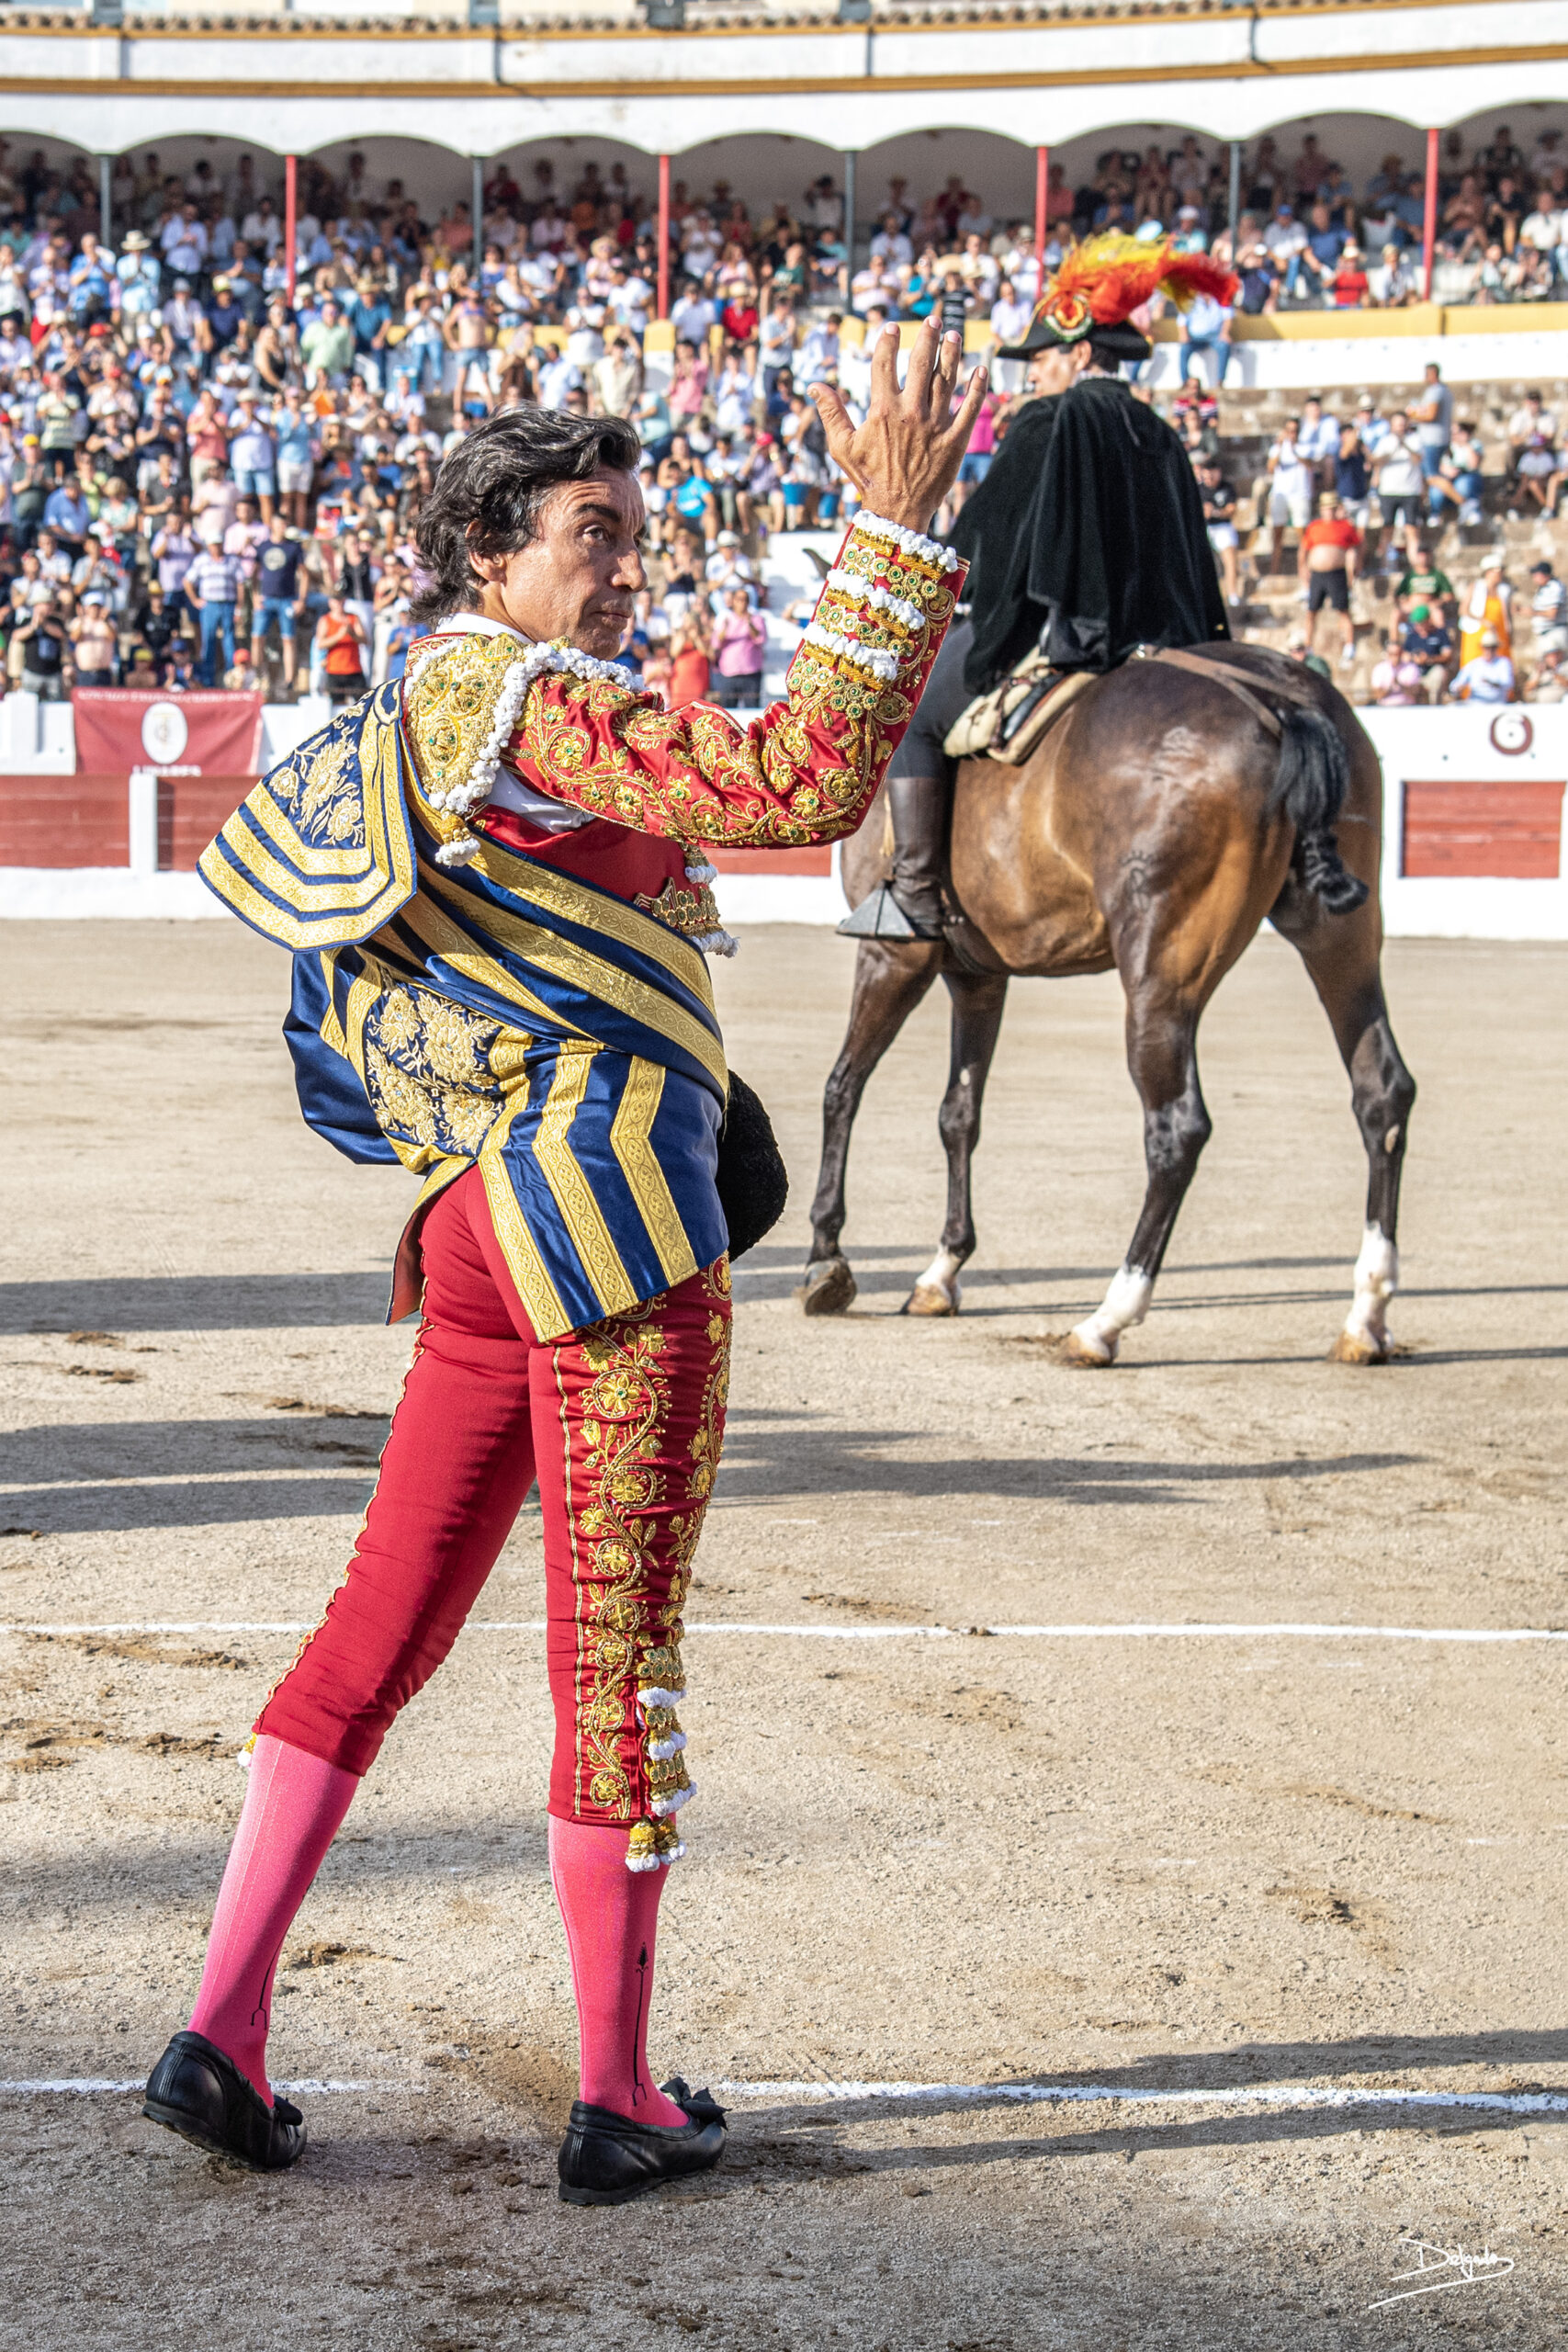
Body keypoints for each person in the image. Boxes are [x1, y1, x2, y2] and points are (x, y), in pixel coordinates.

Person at [144, 343, 985, 2200]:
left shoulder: (401, 721)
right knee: (615, 1652)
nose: (626, 568)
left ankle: (222, 2023)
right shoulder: (521, 704)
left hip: (469, 1228)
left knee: (380, 1629)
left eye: (635, 534)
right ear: (488, 556)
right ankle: (617, 2090)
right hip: (603, 1235)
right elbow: (792, 780)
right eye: (593, 537)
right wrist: (889, 533)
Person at [845, 235, 1233, 943]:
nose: (1033, 376)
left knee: (916, 709)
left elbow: (987, 542)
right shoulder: (1159, 430)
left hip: (1062, 634)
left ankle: (915, 891)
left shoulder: (1050, 420)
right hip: (1160, 642)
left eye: (1043, 359)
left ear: (1080, 353)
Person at [1296, 490, 1360, 667]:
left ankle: (1349, 645)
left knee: (1343, 610)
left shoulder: (1346, 526)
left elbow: (1353, 550)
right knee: (1311, 611)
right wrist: (1302, 569)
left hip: (1336, 573)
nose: (1329, 512)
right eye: (1326, 508)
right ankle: (1308, 645)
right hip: (1317, 574)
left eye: (1332, 508)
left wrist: (1351, 574)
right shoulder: (1314, 527)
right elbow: (1304, 550)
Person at [1451, 626, 1515, 702]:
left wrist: (1490, 683)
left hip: (1498, 704)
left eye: (1492, 647)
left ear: (1496, 648)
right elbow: (1456, 685)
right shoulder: (1474, 665)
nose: (1489, 651)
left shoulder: (1503, 663)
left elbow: (1508, 684)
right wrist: (1459, 687)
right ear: (1482, 648)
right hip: (1476, 705)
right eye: (1486, 647)